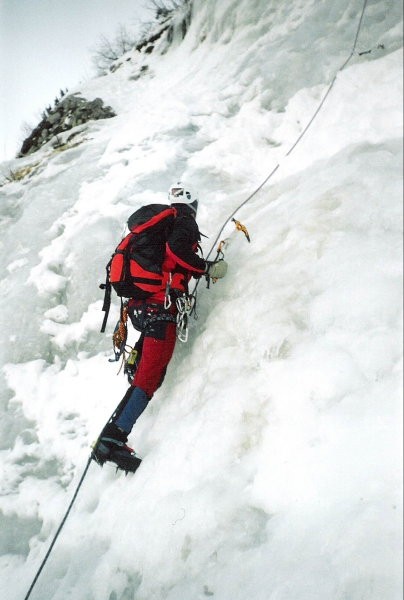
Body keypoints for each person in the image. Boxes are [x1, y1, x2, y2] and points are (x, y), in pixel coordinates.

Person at [93, 181, 227, 469]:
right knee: (149, 378)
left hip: (143, 308)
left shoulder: (158, 226)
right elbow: (178, 251)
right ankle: (115, 437)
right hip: (161, 308)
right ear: (193, 203)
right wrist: (206, 267)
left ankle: (135, 359)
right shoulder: (185, 221)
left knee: (148, 368)